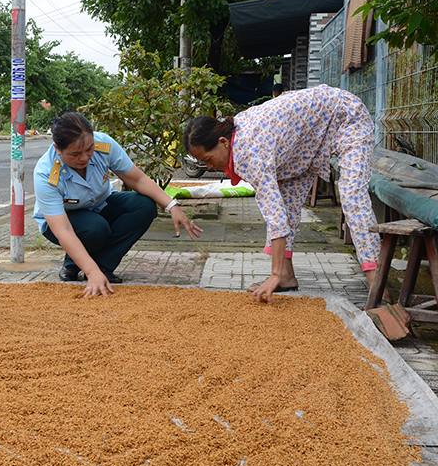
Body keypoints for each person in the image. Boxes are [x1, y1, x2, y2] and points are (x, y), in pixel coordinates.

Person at [183, 84, 381, 304]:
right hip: (306, 141)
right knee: (286, 202)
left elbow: (274, 216)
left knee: (352, 196)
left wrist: (272, 275)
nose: (209, 167)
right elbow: (278, 209)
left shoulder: (250, 152)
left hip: (346, 117)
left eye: (209, 160)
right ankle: (286, 275)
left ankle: (378, 287)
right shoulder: (236, 137)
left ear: (223, 142)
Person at [34, 112, 203, 297]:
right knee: (96, 228)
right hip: (64, 220)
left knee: (144, 205)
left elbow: (137, 179)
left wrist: (172, 206)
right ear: (57, 148)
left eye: (89, 149)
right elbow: (63, 229)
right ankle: (74, 265)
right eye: (75, 154)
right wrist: (90, 273)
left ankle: (103, 266)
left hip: (100, 205)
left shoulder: (104, 145)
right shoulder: (46, 173)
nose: (84, 158)